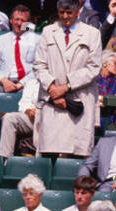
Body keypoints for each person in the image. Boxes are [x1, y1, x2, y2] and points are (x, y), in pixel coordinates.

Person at [32, 0, 101, 158]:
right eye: (62, 12)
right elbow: (39, 65)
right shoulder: (48, 32)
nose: (65, 16)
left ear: (77, 11)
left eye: (69, 12)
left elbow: (93, 68)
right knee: (51, 152)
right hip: (53, 100)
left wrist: (65, 87)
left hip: (79, 99)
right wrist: (52, 90)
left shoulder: (92, 34)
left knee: (78, 152)